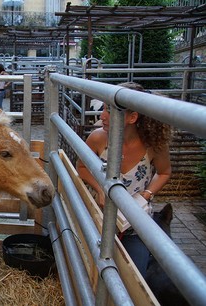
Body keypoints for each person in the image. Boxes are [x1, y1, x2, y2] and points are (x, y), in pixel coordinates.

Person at [76, 82, 172, 278]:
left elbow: (164, 172)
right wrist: (101, 189)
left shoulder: (153, 145)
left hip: (135, 223)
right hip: (100, 218)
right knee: (92, 271)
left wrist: (145, 195)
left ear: (132, 117)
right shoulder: (97, 139)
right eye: (104, 108)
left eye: (109, 111)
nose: (102, 115)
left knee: (135, 277)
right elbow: (82, 167)